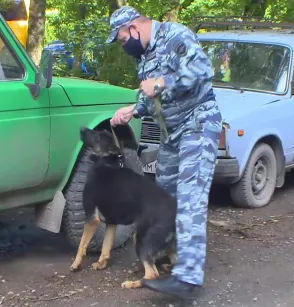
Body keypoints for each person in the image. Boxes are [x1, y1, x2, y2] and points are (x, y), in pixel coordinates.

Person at [107, 6, 223, 300]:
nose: (124, 47)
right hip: (171, 135)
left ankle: (188, 278)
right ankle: (163, 254)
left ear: (134, 28)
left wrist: (160, 82)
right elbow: (151, 97)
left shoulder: (175, 36)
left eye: (122, 40)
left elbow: (203, 71)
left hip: (198, 124)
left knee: (189, 200)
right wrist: (133, 110)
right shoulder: (144, 55)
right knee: (163, 199)